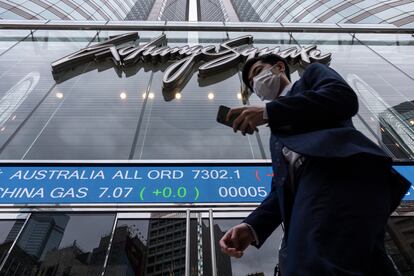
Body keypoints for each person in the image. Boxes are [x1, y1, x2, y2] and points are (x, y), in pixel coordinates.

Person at [219, 54, 410, 275]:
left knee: (310, 263)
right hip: (313, 190)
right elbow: (282, 188)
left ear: (279, 67)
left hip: (339, 173)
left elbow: (343, 98)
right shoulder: (276, 135)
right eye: (251, 83)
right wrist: (251, 226)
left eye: (257, 72)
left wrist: (268, 112)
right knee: (369, 265)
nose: (255, 83)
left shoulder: (311, 76)